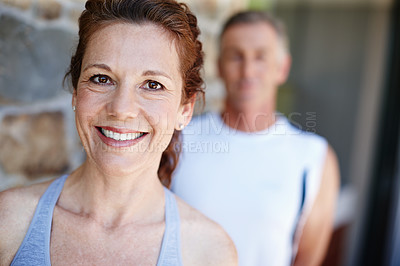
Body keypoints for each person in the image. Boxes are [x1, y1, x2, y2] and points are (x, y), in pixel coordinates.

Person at [0, 0, 238, 265]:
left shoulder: (209, 252)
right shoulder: (8, 221)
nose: (121, 109)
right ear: (76, 93)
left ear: (185, 109)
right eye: (101, 78)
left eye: (152, 85)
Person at [171, 11, 340, 266]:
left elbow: (307, 259)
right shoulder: (177, 138)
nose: (247, 70)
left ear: (282, 68)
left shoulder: (313, 157)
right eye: (235, 56)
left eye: (260, 56)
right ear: (219, 67)